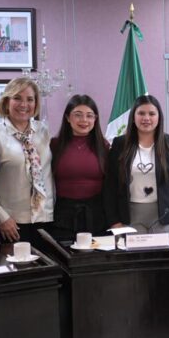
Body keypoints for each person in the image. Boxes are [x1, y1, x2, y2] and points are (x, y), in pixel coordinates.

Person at [103, 95, 169, 236]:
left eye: (151, 114)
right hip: (129, 218)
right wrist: (114, 221)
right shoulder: (120, 144)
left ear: (159, 117)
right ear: (133, 117)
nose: (146, 118)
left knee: (163, 252)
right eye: (141, 113)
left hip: (165, 217)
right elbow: (110, 186)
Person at [0, 77, 54, 248]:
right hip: (12, 223)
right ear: (6, 101)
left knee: (47, 265)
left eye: (30, 99)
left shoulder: (43, 131)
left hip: (46, 218)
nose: (24, 104)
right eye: (17, 98)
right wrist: (1, 217)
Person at [50, 94, 109, 240]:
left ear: (95, 119)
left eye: (89, 115)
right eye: (78, 115)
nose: (84, 120)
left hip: (97, 216)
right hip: (62, 216)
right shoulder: (54, 145)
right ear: (67, 118)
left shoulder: (104, 146)